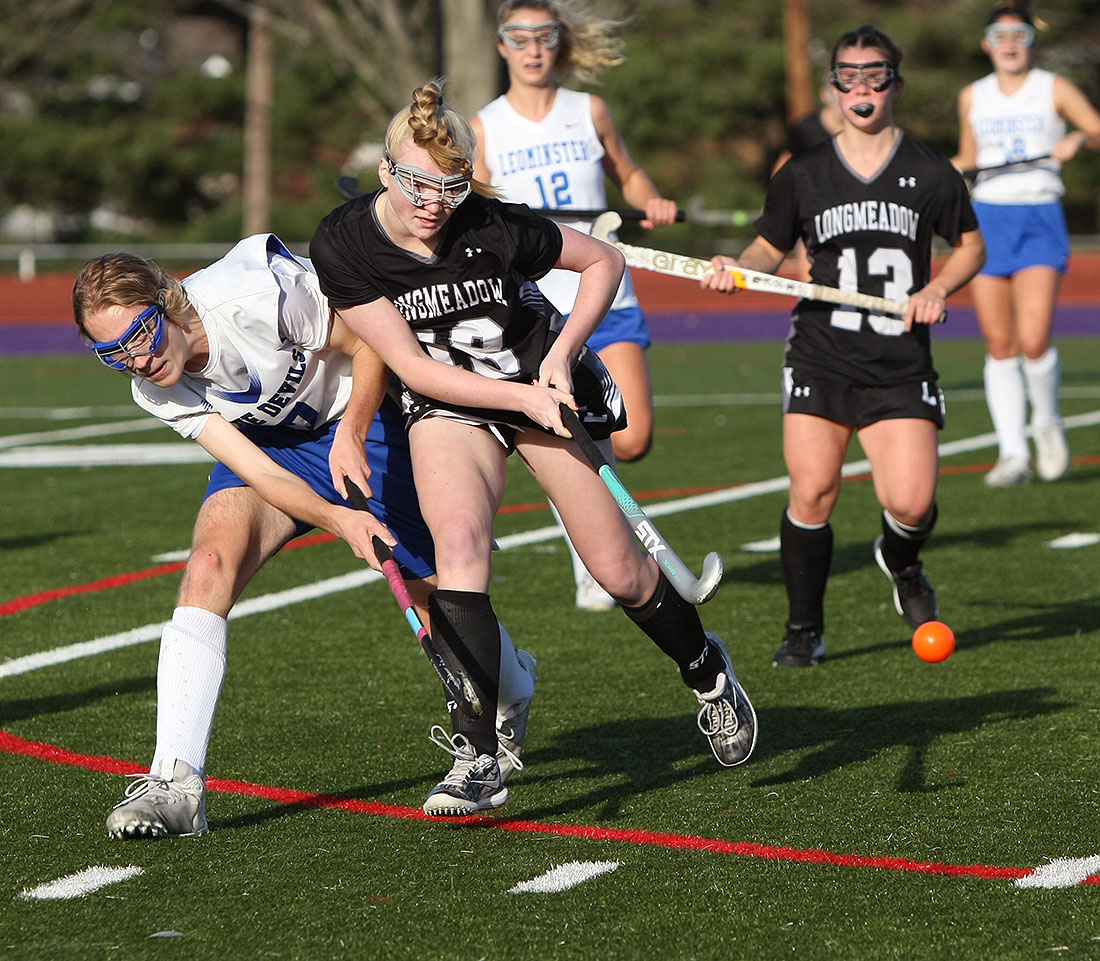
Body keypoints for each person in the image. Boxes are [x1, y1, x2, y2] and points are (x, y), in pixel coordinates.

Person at [309, 80, 756, 817]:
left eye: (450, 187)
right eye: (418, 183)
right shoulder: (345, 241)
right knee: (457, 546)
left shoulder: (494, 223)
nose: (433, 203)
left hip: (535, 381)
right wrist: (520, 398)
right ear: (387, 173)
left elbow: (605, 262)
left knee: (619, 572)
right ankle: (478, 754)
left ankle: (706, 669)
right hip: (449, 400)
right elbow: (413, 368)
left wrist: (560, 357)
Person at [72, 235, 537, 839]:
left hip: (361, 414)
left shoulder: (255, 292)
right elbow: (260, 473)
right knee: (209, 565)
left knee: (435, 593)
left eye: (140, 336)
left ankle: (513, 688)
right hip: (272, 448)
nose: (136, 360)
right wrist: (339, 519)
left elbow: (368, 337)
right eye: (113, 353)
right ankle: (177, 785)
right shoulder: (154, 387)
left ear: (167, 299)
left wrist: (355, 430)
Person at [701, 25, 986, 668]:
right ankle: (804, 630)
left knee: (911, 503)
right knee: (813, 493)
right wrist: (737, 268)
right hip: (821, 353)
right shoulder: (801, 174)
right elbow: (766, 250)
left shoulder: (929, 171)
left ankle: (902, 560)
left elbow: (971, 247)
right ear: (833, 88)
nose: (862, 88)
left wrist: (938, 287)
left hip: (899, 361)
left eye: (875, 75)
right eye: (849, 76)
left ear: (895, 84)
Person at [471, 0, 678, 611]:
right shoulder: (484, 127)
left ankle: (600, 544)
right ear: (502, 45)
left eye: (545, 36)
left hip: (605, 291)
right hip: (536, 308)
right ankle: (595, 559)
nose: (534, 48)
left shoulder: (589, 111)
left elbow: (630, 176)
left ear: (559, 44)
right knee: (567, 430)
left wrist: (653, 199)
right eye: (520, 37)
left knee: (631, 435)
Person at [952, 1, 1100, 487]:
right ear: (987, 43)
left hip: (1039, 213)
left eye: (1019, 36)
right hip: (989, 217)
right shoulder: (972, 95)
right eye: (1000, 35)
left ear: (1032, 42)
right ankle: (1013, 453)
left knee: (1034, 340)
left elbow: (1096, 129)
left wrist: (1078, 138)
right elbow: (970, 160)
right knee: (1000, 344)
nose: (1010, 44)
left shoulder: (1053, 87)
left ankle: (1048, 423)